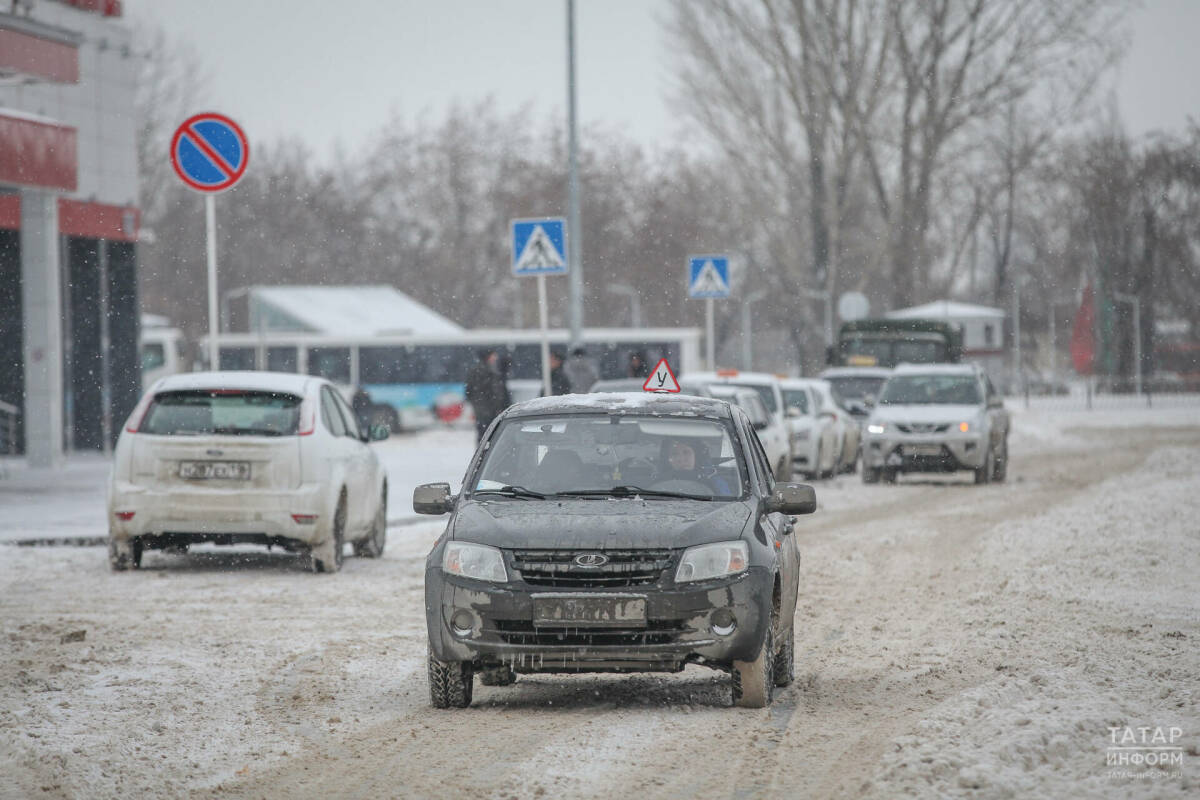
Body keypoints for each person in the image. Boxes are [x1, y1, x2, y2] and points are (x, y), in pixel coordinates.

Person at [465, 349, 510, 442]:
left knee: (483, 435)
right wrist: (497, 406)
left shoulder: (476, 371)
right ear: (488, 357)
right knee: (490, 436)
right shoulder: (490, 371)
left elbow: (469, 392)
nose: (496, 358)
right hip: (489, 411)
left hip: (482, 410)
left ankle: (482, 454)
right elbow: (496, 392)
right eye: (494, 356)